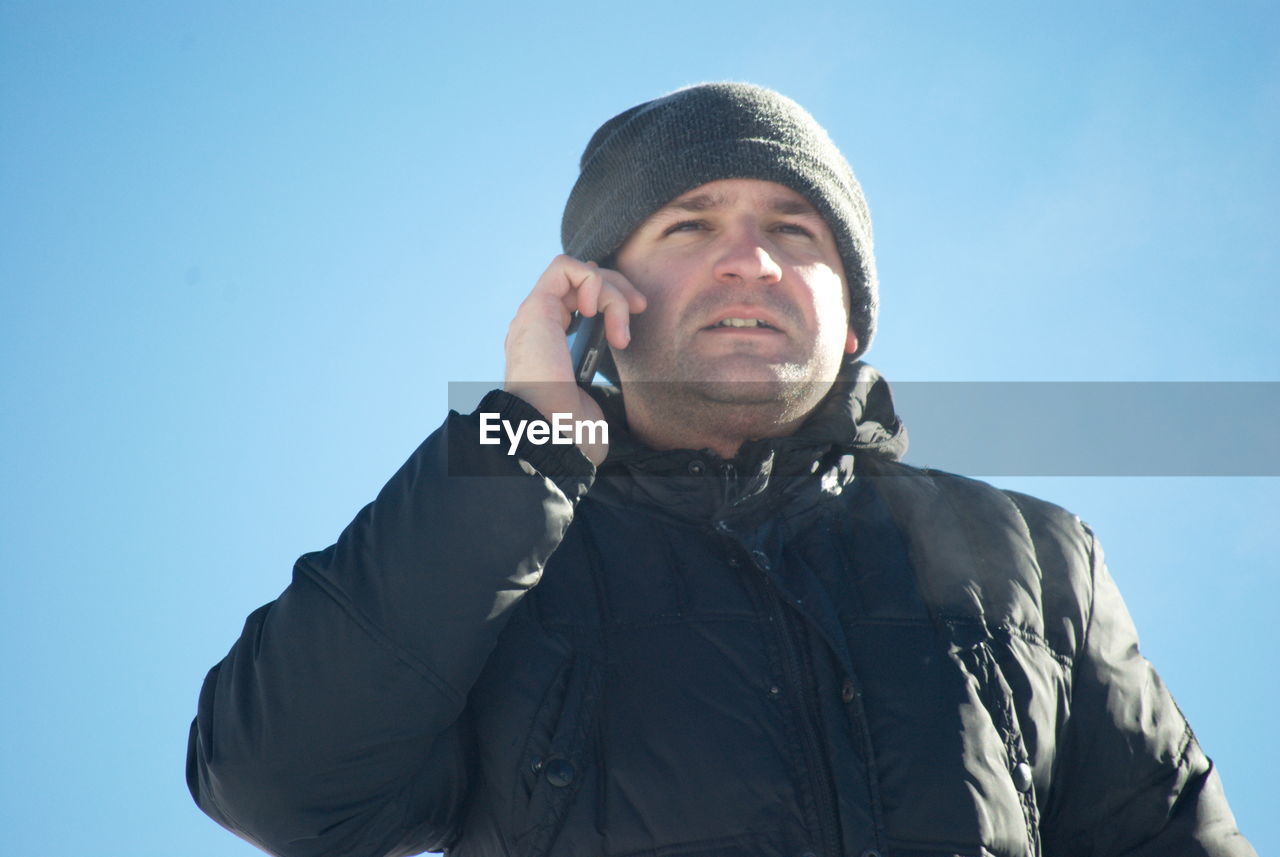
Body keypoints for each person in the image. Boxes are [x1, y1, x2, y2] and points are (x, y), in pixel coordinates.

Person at [187, 83, 1255, 857]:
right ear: (598, 299)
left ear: (849, 323)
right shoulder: (496, 544)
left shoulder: (1032, 555)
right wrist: (521, 435)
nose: (748, 258)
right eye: (690, 223)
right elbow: (282, 787)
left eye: (795, 230)